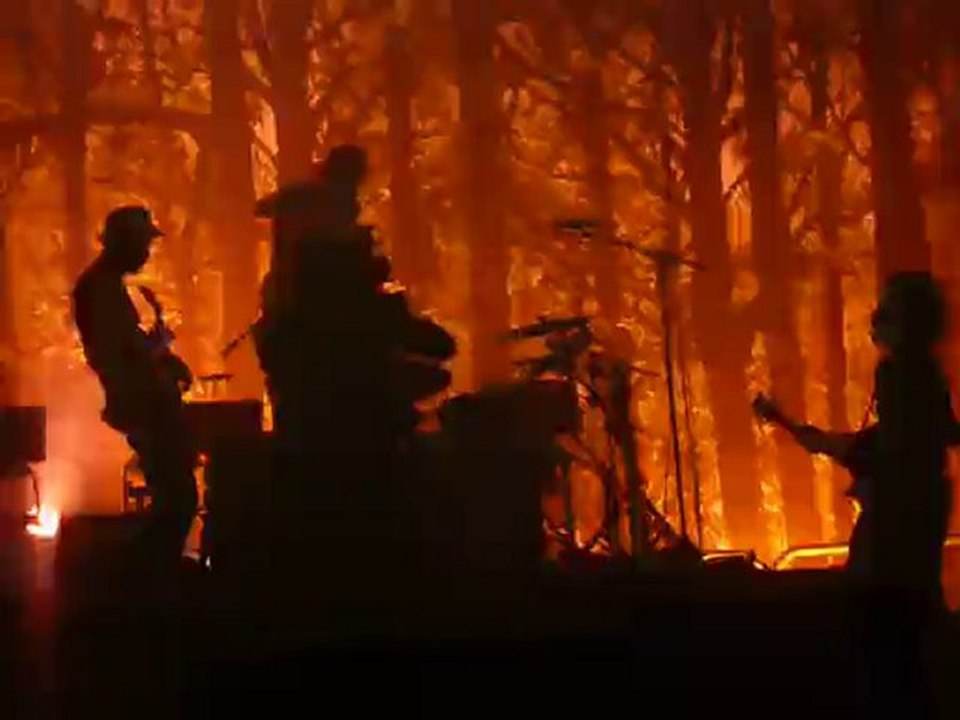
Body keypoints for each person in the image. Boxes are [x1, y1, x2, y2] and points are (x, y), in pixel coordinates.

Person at [754, 271, 959, 712]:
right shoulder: (929, 378)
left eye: (887, 312)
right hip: (917, 525)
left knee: (885, 640)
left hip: (894, 533)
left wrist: (835, 445)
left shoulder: (900, 375)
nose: (875, 320)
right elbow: (934, 436)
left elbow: (893, 449)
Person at [73, 206, 197, 575]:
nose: (147, 252)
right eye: (143, 243)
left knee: (174, 493)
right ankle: (147, 573)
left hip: (144, 398)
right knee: (178, 495)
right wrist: (158, 354)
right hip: (141, 401)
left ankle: (151, 571)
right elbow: (118, 350)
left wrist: (161, 358)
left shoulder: (105, 286)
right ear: (124, 243)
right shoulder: (98, 288)